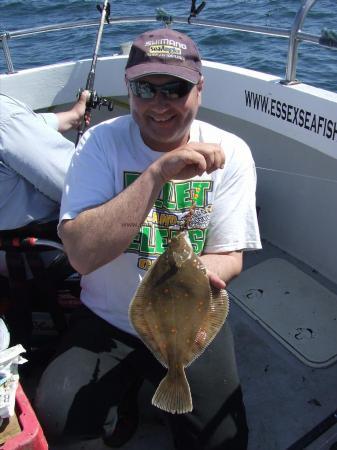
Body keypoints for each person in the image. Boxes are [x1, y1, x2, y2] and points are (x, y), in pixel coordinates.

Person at [35, 28, 262, 449]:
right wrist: (156, 174)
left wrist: (191, 277)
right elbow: (82, 256)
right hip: (108, 318)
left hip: (188, 321)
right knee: (57, 416)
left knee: (224, 441)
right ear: (128, 88)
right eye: (145, 88)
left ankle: (156, 396)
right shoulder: (99, 143)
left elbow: (229, 255)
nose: (160, 104)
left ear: (199, 88)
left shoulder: (232, 152)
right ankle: (127, 404)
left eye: (175, 89)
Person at [0, 91, 89, 275]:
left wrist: (73, 117)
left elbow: (21, 127)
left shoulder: (10, 121)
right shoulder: (6, 118)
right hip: (40, 259)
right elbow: (77, 186)